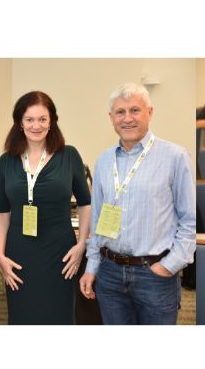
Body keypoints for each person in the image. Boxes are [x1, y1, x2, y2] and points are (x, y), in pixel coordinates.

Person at [80, 82, 195, 325]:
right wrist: (92, 266)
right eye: (120, 112)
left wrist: (169, 265)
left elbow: (189, 220)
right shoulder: (103, 161)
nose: (127, 118)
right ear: (111, 118)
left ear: (149, 113)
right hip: (109, 273)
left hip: (154, 273)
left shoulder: (175, 156)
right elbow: (99, 219)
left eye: (135, 110)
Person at [0, 91, 91, 325]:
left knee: (59, 315)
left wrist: (81, 245)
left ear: (52, 122)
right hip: (20, 253)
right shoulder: (7, 160)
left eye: (42, 119)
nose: (36, 125)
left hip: (60, 252)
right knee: (22, 315)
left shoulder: (69, 155)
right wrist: (0, 254)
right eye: (29, 119)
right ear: (20, 123)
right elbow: (2, 211)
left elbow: (86, 204)